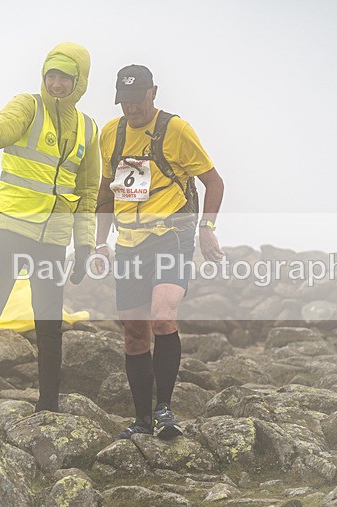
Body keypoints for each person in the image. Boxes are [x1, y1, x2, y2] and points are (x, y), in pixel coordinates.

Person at [0, 42, 100, 421]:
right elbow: (6, 124)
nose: (57, 83)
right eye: (51, 75)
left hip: (52, 240)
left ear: (79, 81)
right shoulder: (28, 106)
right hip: (9, 230)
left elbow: (87, 192)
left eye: (65, 77)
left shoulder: (88, 128)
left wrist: (85, 246)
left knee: (49, 325)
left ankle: (47, 406)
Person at [94, 65, 225, 439]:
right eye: (124, 102)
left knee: (163, 316)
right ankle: (141, 421)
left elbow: (213, 182)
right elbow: (106, 192)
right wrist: (101, 243)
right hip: (130, 243)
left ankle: (165, 410)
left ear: (153, 92)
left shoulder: (176, 130)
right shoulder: (111, 133)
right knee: (134, 333)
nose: (131, 109)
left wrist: (207, 228)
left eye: (136, 100)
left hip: (172, 236)